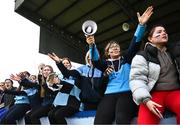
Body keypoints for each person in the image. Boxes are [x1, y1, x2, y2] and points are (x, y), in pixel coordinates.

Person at [86, 6, 153, 124]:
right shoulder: (105, 64)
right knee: (100, 122)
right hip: (109, 95)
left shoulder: (127, 58)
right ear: (108, 52)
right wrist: (92, 46)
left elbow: (135, 44)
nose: (115, 47)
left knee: (122, 119)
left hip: (127, 93)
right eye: (111, 47)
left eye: (117, 46)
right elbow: (95, 61)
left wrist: (141, 26)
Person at [129, 24, 180, 124]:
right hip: (153, 95)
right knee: (145, 122)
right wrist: (146, 100)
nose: (164, 33)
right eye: (159, 32)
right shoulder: (142, 55)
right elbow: (137, 79)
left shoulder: (175, 52)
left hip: (175, 92)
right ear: (150, 38)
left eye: (164, 31)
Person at [47, 56, 82, 125]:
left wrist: (60, 81)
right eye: (63, 63)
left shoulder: (75, 73)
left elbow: (71, 85)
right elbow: (58, 88)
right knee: (50, 114)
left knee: (58, 114)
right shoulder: (59, 76)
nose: (65, 65)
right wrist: (52, 84)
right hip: (62, 102)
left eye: (67, 63)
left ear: (70, 64)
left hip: (73, 103)